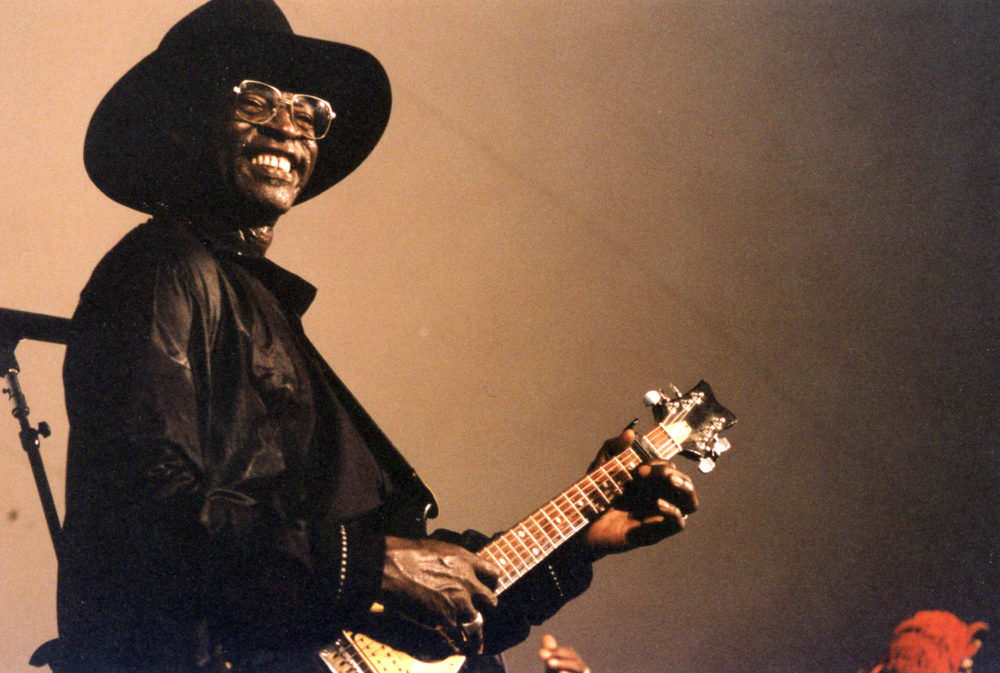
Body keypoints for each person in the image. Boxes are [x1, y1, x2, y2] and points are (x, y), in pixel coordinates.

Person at [51, 1, 699, 672]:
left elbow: (426, 611)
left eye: (308, 111)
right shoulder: (160, 268)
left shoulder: (260, 308)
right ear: (183, 123)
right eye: (257, 98)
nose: (287, 125)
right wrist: (368, 567)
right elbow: (141, 517)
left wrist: (580, 539)